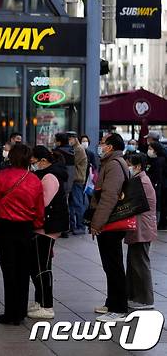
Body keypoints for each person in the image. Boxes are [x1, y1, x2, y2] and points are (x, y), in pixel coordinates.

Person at [0, 143, 44, 326]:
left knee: (8, 270)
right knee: (23, 270)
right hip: (25, 228)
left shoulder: (1, 177)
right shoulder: (34, 179)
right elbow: (39, 209)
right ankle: (20, 310)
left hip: (4, 227)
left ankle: (11, 313)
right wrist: (35, 224)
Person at [27, 146, 69, 320]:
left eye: (34, 162)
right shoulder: (47, 174)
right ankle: (40, 301)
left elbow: (42, 203)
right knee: (37, 265)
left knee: (42, 267)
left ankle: (46, 305)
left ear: (43, 161)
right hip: (44, 226)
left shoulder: (50, 176)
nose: (32, 166)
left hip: (47, 227)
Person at [90, 133, 129, 322]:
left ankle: (119, 308)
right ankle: (111, 302)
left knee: (114, 265)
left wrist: (97, 224)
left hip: (111, 223)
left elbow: (109, 197)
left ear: (111, 147)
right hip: (109, 222)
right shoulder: (112, 162)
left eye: (102, 143)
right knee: (110, 265)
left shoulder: (114, 165)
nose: (100, 146)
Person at [124, 153, 157, 310]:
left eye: (129, 164)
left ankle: (145, 300)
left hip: (142, 228)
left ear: (137, 166)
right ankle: (135, 296)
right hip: (139, 227)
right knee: (134, 262)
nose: (127, 167)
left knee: (140, 263)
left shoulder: (141, 182)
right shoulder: (139, 179)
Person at [68, 131, 88, 235]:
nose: (69, 141)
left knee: (78, 203)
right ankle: (73, 225)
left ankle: (81, 226)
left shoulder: (79, 149)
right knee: (72, 204)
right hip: (74, 179)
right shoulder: (74, 149)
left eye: (70, 138)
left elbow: (73, 162)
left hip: (77, 179)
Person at [147, 142, 167, 229]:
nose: (149, 151)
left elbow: (156, 176)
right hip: (160, 186)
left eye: (150, 149)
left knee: (158, 206)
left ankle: (158, 223)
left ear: (156, 150)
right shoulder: (155, 160)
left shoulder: (159, 161)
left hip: (159, 187)